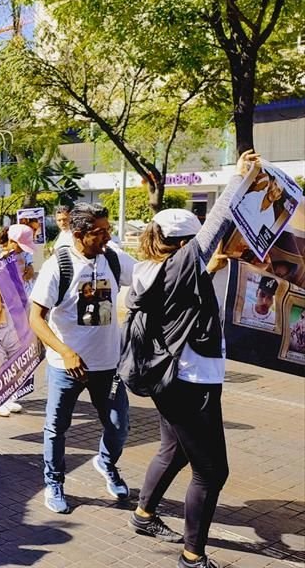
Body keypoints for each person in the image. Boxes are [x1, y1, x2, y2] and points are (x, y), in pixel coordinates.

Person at [126, 150, 257, 568]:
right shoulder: (181, 265)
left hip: (169, 379)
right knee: (212, 471)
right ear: (183, 245)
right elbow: (216, 225)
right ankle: (191, 555)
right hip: (190, 381)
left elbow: (180, 292)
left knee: (174, 449)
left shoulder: (149, 269)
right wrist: (238, 178)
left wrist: (207, 269)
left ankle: (145, 514)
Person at [29, 202, 137, 513]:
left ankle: (105, 462)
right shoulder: (58, 266)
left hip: (108, 365)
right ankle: (55, 481)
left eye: (108, 230)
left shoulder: (112, 258)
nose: (107, 237)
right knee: (56, 428)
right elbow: (35, 318)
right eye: (100, 232)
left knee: (119, 425)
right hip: (67, 368)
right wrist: (65, 351)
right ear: (79, 234)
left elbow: (150, 275)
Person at [0, 224, 37, 416]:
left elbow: (27, 273)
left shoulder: (22, 254)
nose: (22, 251)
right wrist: (1, 266)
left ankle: (10, 395)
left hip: (18, 309)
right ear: (11, 241)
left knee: (16, 354)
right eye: (20, 246)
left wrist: (30, 271)